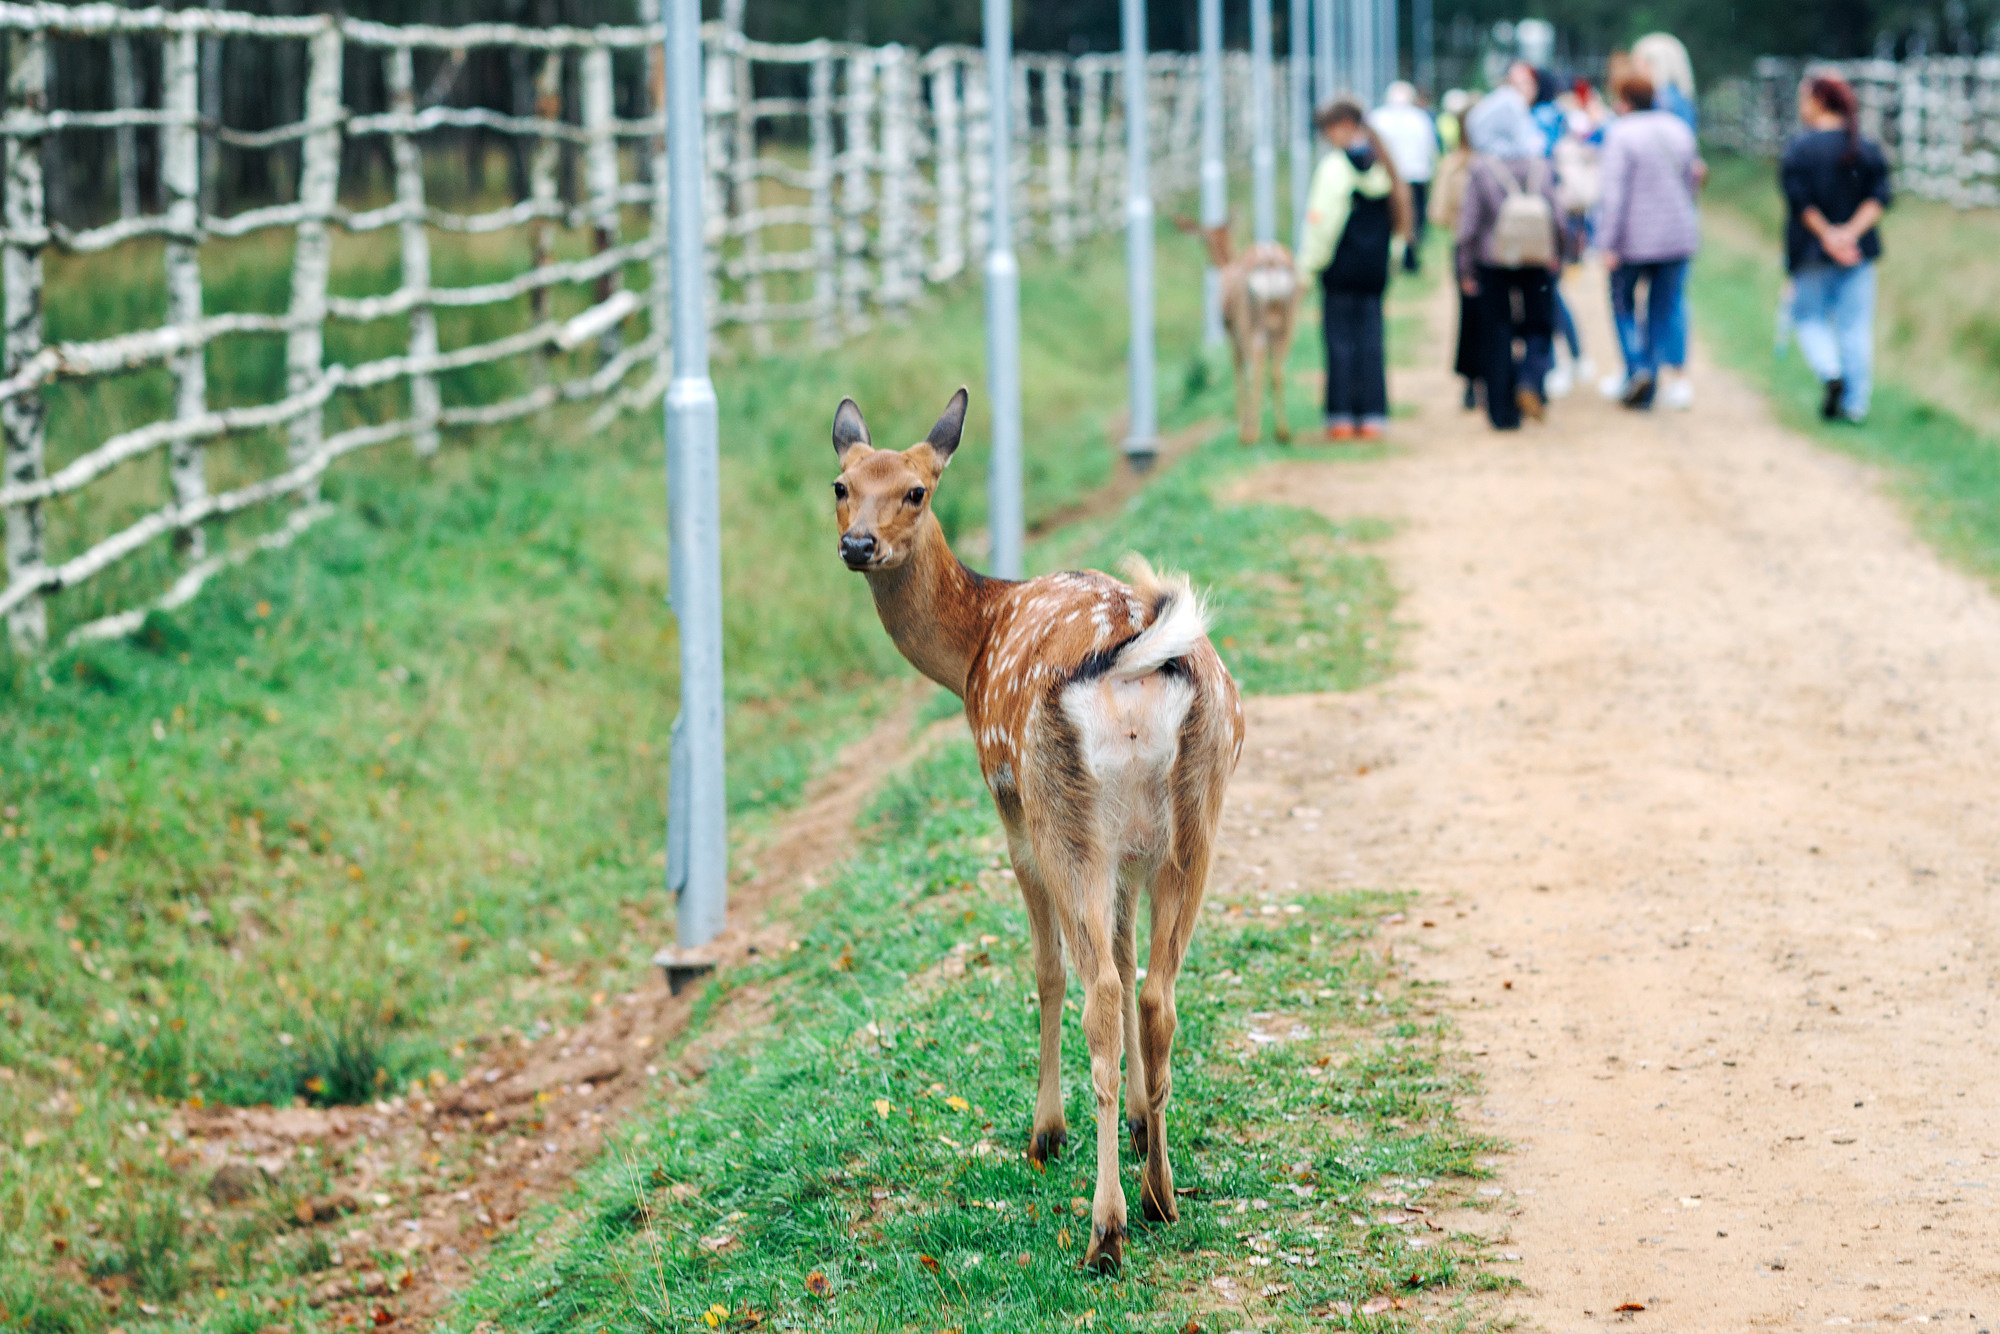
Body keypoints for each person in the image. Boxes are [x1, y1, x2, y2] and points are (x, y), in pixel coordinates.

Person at [1298, 99, 1412, 440]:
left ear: (1345, 125)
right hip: (1374, 270)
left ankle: (1341, 417)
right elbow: (1398, 222)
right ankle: (1374, 416)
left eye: (1328, 130)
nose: (1327, 138)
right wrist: (1390, 262)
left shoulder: (1334, 168)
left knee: (1339, 341)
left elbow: (1322, 223)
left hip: (1340, 271)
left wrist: (1309, 266)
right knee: (1371, 341)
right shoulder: (1385, 164)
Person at [1781, 73, 1891, 423]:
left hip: (1811, 252)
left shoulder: (1800, 149)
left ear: (1817, 101)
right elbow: (1880, 196)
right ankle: (1855, 405)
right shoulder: (1865, 147)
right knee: (1855, 327)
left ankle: (1830, 372)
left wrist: (1829, 235)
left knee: (1808, 317)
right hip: (1858, 252)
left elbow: (1799, 201)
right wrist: (1850, 234)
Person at [1457, 72, 1564, 430]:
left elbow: (1468, 225)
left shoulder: (1482, 169)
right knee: (1539, 324)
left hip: (1493, 260)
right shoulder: (1540, 165)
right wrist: (1560, 252)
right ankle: (1531, 380)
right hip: (1537, 258)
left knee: (1497, 331)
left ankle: (1502, 412)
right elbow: (1558, 216)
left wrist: (1464, 267)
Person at [1596, 74, 1701, 410]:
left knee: (1622, 303)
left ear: (1624, 100)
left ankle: (1637, 367)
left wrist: (1607, 242)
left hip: (1633, 239)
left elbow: (1613, 195)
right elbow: (1692, 182)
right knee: (1661, 309)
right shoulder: (1679, 129)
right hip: (1676, 235)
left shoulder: (1621, 133)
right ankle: (1650, 376)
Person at [1429, 109, 1480, 409]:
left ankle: (1472, 381)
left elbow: (1439, 213)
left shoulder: (1454, 166)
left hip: (1465, 249)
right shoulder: (1500, 163)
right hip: (1496, 251)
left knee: (1469, 316)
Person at [1369, 82, 1438, 273]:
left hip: (1389, 177)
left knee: (1391, 216)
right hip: (1415, 175)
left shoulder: (1378, 118)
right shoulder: (1419, 118)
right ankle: (1409, 255)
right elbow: (1430, 146)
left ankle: (1394, 254)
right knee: (1414, 217)